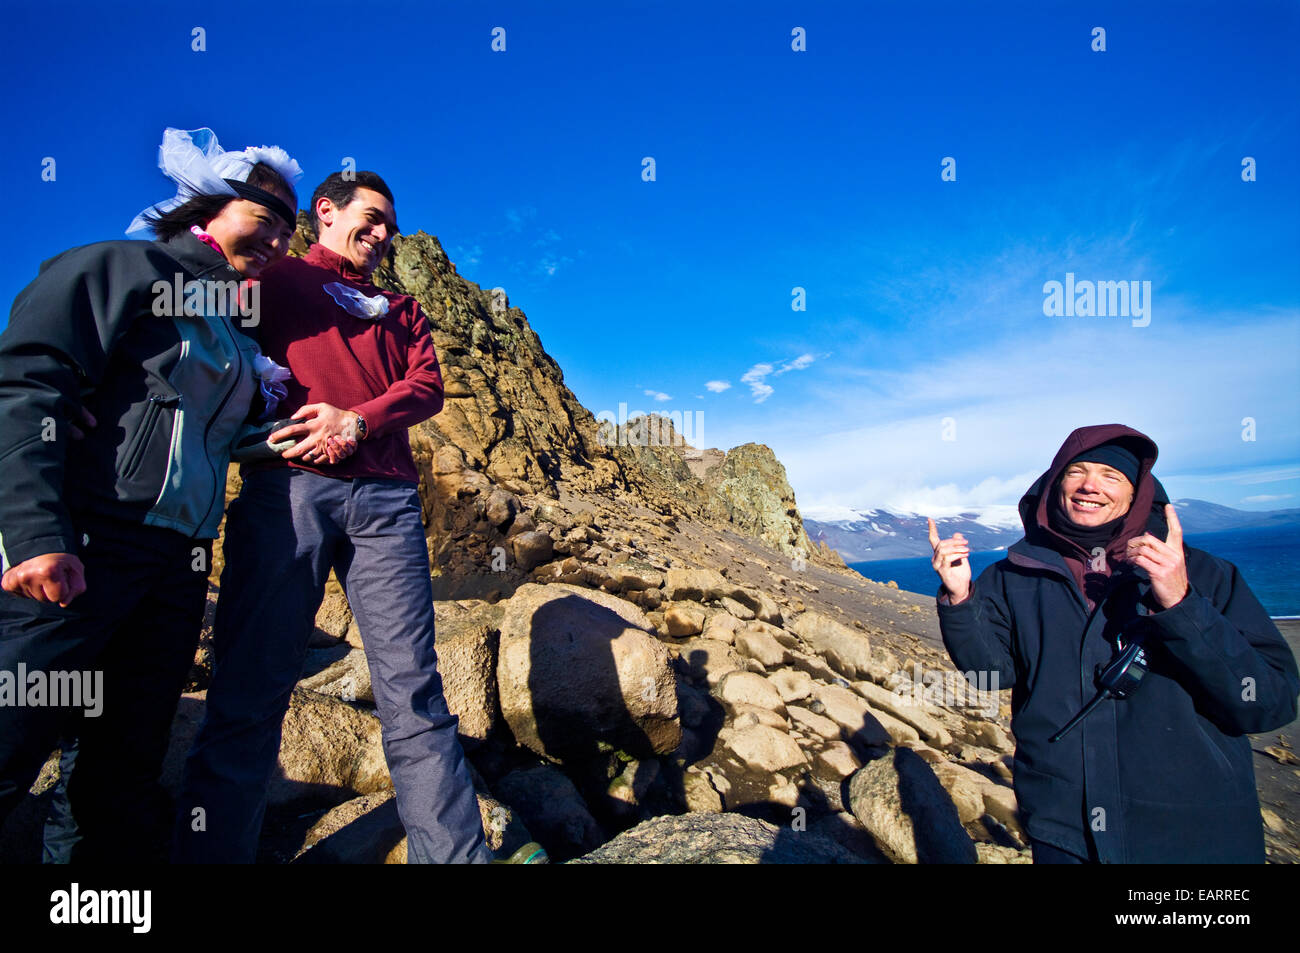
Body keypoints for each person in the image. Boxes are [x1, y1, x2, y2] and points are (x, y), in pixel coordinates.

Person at [0, 127, 301, 862]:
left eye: (289, 231)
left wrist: (305, 439)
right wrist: (36, 533)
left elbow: (211, 441)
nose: (277, 241)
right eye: (265, 218)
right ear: (211, 203)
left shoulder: (231, 332)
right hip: (86, 545)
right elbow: (28, 383)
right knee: (11, 739)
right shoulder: (122, 266)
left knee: (116, 773)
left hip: (175, 569)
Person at [174, 170, 493, 864]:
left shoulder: (404, 309)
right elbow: (200, 333)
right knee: (249, 687)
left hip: (386, 502)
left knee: (413, 691)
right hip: (287, 491)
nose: (381, 235)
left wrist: (359, 418)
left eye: (388, 226)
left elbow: (427, 386)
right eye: (370, 218)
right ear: (325, 211)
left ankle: (458, 856)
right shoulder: (275, 278)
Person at [929, 423, 1299, 863]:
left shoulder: (1203, 575)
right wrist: (959, 598)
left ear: (1137, 493)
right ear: (1053, 485)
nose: (1090, 486)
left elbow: (1266, 704)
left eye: (1111, 476)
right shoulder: (1013, 576)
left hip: (1192, 834)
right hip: (1064, 829)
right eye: (1076, 472)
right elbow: (990, 674)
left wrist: (1180, 603)